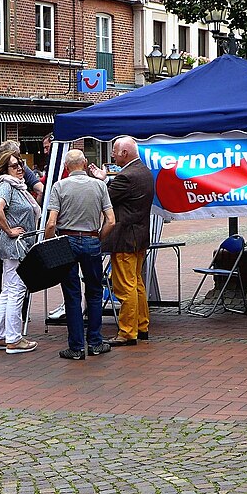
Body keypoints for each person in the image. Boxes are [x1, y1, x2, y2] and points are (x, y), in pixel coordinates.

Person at [45, 149, 116, 361]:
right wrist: (97, 238)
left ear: (66, 166)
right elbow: (111, 220)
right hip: (92, 239)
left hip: (67, 241)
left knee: (72, 294)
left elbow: (51, 223)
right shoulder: (99, 185)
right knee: (94, 291)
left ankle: (76, 347)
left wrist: (50, 243)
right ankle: (95, 342)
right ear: (85, 164)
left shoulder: (59, 186)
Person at [89, 136, 154, 346]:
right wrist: (106, 179)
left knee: (125, 287)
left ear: (124, 153)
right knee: (137, 284)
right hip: (139, 237)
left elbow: (107, 198)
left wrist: (101, 181)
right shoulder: (143, 171)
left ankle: (127, 332)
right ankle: (142, 326)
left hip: (125, 238)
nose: (112, 156)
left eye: (115, 152)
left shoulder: (126, 176)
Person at [0, 150, 41, 354]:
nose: (20, 168)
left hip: (17, 245)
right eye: (14, 165)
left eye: (21, 164)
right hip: (15, 245)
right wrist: (9, 230)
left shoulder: (17, 186)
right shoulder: (6, 185)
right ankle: (14, 339)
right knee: (16, 290)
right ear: (4, 169)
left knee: (9, 290)